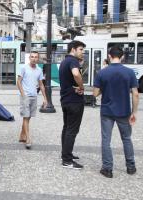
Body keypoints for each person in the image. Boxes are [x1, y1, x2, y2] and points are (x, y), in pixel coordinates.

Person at [93, 46, 139, 178]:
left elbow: (95, 93)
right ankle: (130, 167)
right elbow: (135, 94)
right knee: (126, 139)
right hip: (124, 112)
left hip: (107, 111)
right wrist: (134, 113)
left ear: (109, 56)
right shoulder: (129, 72)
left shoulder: (102, 73)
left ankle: (107, 169)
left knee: (106, 140)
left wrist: (104, 88)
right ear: (122, 57)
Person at [59, 40, 86, 169]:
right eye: (81, 49)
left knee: (67, 128)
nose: (83, 52)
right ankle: (67, 160)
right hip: (74, 101)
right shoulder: (73, 61)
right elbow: (76, 74)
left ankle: (65, 154)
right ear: (73, 49)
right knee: (72, 130)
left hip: (65, 99)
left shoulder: (64, 61)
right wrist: (81, 87)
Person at [17, 51, 47, 149]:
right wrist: (23, 94)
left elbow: (41, 84)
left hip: (34, 96)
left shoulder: (39, 70)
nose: (34, 58)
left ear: (38, 59)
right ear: (29, 58)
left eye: (36, 57)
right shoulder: (24, 68)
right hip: (25, 96)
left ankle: (22, 135)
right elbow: (18, 82)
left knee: (28, 117)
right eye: (32, 57)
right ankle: (28, 138)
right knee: (26, 117)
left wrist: (45, 98)